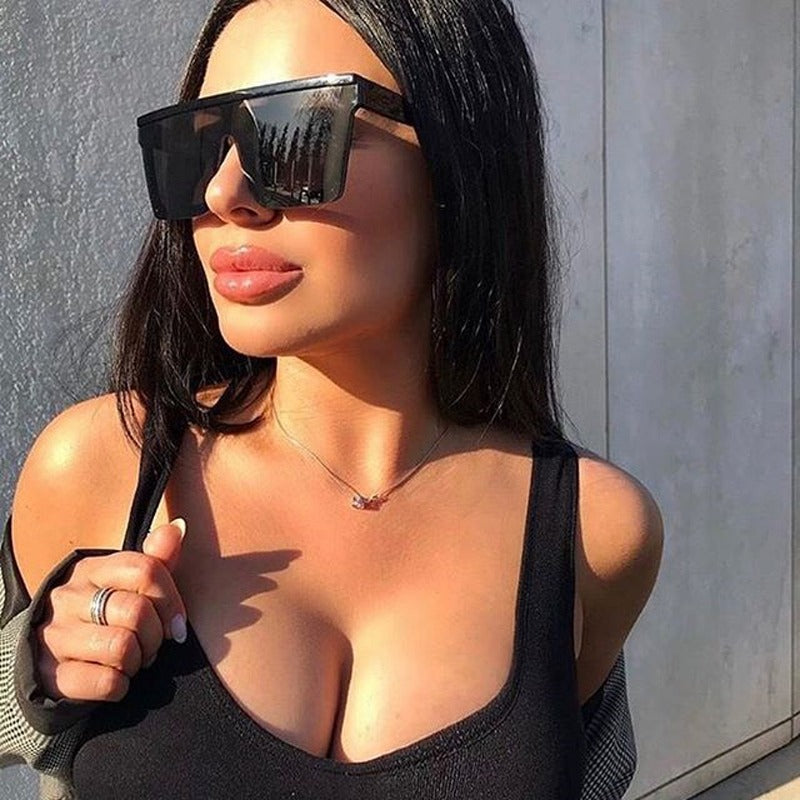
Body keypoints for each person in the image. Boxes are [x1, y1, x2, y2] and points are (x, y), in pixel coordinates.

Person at [1, 0, 663, 797]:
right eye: (199, 145)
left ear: (461, 155)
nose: (225, 192)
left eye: (295, 135)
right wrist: (33, 675)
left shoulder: (594, 531)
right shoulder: (100, 463)